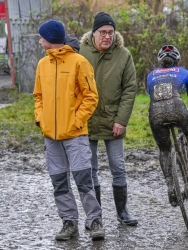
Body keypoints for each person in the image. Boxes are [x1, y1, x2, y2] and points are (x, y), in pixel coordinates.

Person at [33, 20, 105, 241]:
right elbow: (38, 97)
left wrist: (76, 121)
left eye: (41, 37)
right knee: (59, 182)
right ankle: (69, 223)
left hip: (75, 134)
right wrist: (41, 119)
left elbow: (91, 96)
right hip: (51, 136)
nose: (39, 41)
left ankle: (94, 221)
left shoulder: (79, 62)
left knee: (83, 179)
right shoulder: (42, 65)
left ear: (51, 39)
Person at [79, 12, 138, 226]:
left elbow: (130, 89)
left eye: (110, 32)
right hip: (87, 120)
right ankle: (96, 216)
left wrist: (121, 120)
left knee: (118, 167)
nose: (107, 36)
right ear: (93, 33)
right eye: (103, 32)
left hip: (114, 120)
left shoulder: (124, 55)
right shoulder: (81, 52)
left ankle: (122, 212)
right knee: (90, 168)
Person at [146, 45, 188, 207]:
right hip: (178, 108)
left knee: (165, 150)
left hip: (156, 113)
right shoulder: (184, 73)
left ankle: (171, 187)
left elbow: (151, 94)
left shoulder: (151, 75)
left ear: (160, 61)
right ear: (178, 60)